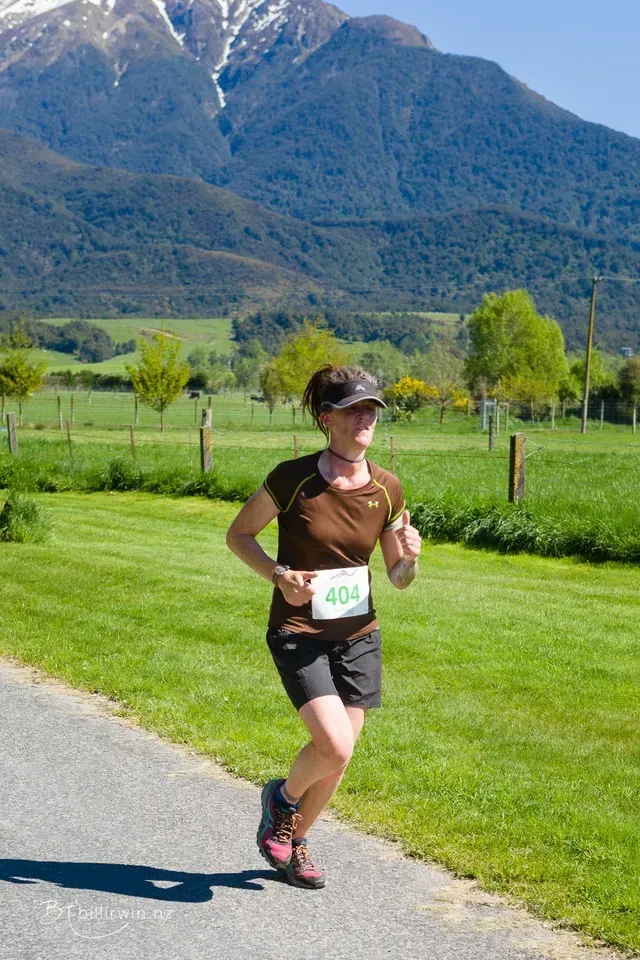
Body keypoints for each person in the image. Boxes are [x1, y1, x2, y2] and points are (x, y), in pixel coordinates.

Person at [225, 364, 421, 889]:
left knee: (339, 757)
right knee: (332, 745)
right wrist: (280, 574)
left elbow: (397, 576)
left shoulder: (387, 488)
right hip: (298, 629)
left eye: (371, 409)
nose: (365, 417)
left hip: (358, 634)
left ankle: (295, 844)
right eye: (353, 408)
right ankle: (281, 800)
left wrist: (410, 560)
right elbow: (239, 535)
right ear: (325, 418)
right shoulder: (292, 479)